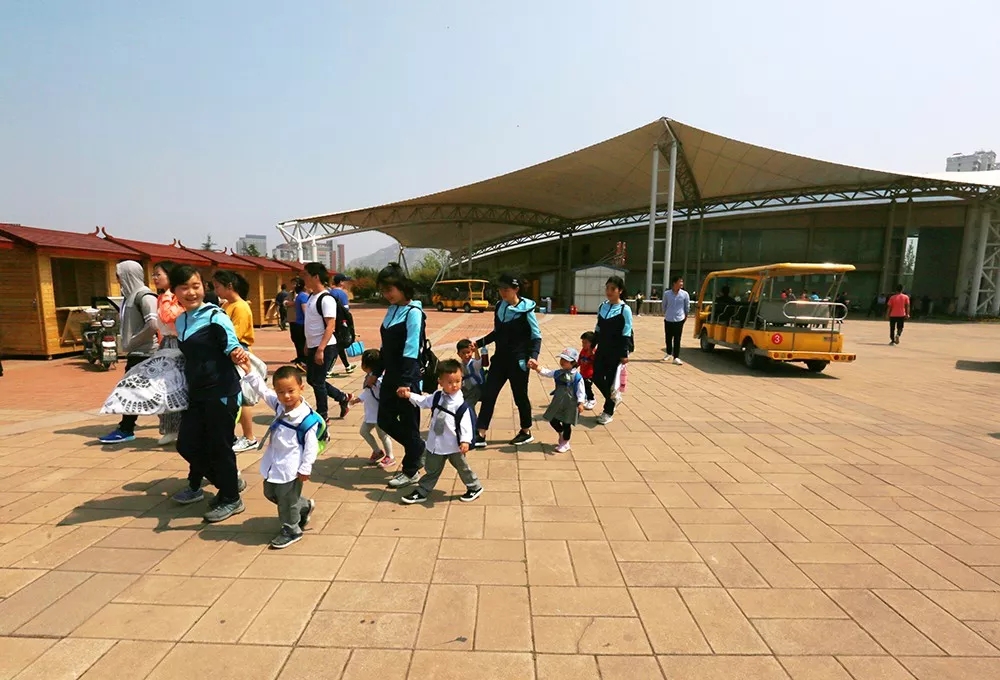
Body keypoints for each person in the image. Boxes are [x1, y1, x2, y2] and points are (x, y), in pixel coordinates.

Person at [168, 265, 248, 523]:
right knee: (187, 444)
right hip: (196, 393)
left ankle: (231, 498)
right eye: (184, 288)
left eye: (196, 286)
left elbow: (231, 344)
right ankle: (228, 484)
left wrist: (236, 353)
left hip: (221, 391)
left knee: (219, 447)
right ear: (175, 291)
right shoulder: (181, 320)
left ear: (204, 287)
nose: (191, 292)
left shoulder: (216, 316)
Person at [239, 363, 318, 549]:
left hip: (291, 467)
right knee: (270, 492)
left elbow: (311, 446)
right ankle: (303, 505)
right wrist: (249, 371)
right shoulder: (279, 405)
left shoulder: (306, 418)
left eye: (291, 391)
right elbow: (262, 390)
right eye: (281, 392)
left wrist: (306, 467)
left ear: (301, 388)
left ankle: (292, 530)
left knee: (286, 502)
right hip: (274, 462)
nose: (286, 396)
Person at [397, 359, 482, 504]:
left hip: (454, 445)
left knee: (462, 468)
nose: (454, 385)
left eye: (458, 381)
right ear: (440, 382)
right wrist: (409, 395)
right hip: (436, 443)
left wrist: (465, 441)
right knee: (432, 469)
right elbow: (424, 401)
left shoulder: (460, 404)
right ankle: (422, 491)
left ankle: (475, 487)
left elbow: (465, 424)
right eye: (450, 382)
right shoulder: (437, 396)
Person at [377, 263, 430, 489]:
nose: (386, 294)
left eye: (389, 289)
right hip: (391, 375)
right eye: (383, 290)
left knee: (409, 424)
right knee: (384, 420)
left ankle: (410, 471)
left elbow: (411, 348)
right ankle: (419, 448)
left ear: (401, 287)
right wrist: (375, 373)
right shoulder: (392, 310)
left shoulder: (413, 312)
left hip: (407, 377)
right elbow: (385, 347)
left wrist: (406, 381)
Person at [474, 273, 542, 447]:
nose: (503, 292)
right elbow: (497, 333)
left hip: (519, 362)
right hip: (499, 360)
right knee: (488, 394)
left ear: (516, 289)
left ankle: (526, 431)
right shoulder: (499, 306)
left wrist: (533, 357)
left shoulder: (526, 309)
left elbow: (536, 336)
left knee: (520, 397)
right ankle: (480, 433)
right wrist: (478, 343)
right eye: (500, 289)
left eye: (506, 289)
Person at [99, 261, 160, 444]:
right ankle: (128, 427)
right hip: (137, 353)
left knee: (130, 390)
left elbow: (153, 325)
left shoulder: (144, 296)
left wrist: (133, 341)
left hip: (146, 353)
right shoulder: (129, 297)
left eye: (119, 275)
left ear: (128, 275)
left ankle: (126, 429)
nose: (117, 279)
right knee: (142, 392)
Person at [214, 270, 259, 453]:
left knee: (243, 397)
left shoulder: (240, 307)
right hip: (229, 352)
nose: (216, 290)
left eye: (218, 286)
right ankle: (234, 435)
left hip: (238, 352)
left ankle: (249, 437)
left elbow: (234, 335)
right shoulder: (227, 305)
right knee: (234, 396)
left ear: (229, 286)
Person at [302, 262, 352, 423]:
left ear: (315, 277)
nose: (304, 278)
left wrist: (320, 349)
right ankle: (342, 397)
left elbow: (330, 325)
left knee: (318, 381)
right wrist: (307, 344)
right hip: (313, 345)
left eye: (306, 275)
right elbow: (311, 324)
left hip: (326, 346)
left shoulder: (326, 299)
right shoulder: (311, 297)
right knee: (312, 379)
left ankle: (323, 415)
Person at [594, 276, 633, 425]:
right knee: (596, 376)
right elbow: (598, 327)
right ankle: (614, 398)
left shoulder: (625, 309)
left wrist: (624, 353)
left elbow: (626, 332)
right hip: (602, 349)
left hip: (615, 352)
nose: (609, 291)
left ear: (620, 291)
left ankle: (608, 412)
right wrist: (591, 345)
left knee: (610, 381)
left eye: (612, 289)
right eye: (607, 288)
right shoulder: (602, 306)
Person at [153, 261, 184, 446]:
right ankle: (170, 428)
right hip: (166, 343)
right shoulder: (162, 297)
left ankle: (180, 428)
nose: (155, 278)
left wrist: (167, 295)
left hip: (177, 344)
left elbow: (167, 317)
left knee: (177, 387)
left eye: (159, 274)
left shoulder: (174, 297)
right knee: (164, 388)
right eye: (154, 275)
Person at [534, 347, 586, 453]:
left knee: (567, 423)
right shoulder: (558, 373)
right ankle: (561, 433)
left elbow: (581, 391)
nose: (562, 362)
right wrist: (537, 368)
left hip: (570, 404)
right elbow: (547, 372)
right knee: (552, 419)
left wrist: (581, 403)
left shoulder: (577, 377)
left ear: (573, 363)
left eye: (566, 360)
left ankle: (565, 443)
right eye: (562, 359)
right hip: (558, 402)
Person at [351, 349, 395, 469]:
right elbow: (367, 392)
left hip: (380, 414)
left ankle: (390, 456)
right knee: (364, 431)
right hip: (370, 413)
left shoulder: (378, 380)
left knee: (383, 435)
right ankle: (377, 451)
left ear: (366, 365)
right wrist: (358, 399)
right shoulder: (370, 377)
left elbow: (382, 394)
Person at [330, 273, 356, 374]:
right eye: (345, 281)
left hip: (333, 321)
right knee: (338, 346)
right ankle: (329, 369)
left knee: (339, 345)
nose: (346, 283)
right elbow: (346, 310)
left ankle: (347, 366)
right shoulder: (342, 294)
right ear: (341, 282)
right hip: (341, 323)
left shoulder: (331, 292)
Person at [661, 275, 689, 365]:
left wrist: (685, 316)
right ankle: (668, 353)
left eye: (682, 281)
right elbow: (664, 305)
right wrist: (666, 313)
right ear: (674, 283)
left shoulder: (685, 294)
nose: (681, 283)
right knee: (668, 337)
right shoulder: (667, 294)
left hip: (679, 319)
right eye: (680, 281)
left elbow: (687, 306)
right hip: (668, 318)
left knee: (677, 339)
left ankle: (676, 357)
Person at [457, 339, 486, 410]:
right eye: (463, 353)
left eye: (468, 352)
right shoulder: (459, 366)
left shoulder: (473, 363)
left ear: (472, 352)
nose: (466, 355)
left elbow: (478, 362)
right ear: (458, 354)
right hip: (464, 389)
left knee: (469, 407)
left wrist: (476, 350)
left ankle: (472, 417)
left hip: (475, 389)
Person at [286, 278, 308, 367]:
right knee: (299, 342)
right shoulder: (302, 296)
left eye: (295, 284)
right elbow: (305, 311)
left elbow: (305, 311)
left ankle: (303, 361)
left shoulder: (301, 296)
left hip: (300, 324)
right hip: (299, 323)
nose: (293, 286)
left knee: (301, 343)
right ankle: (302, 361)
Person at [578, 332, 596, 411]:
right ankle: (584, 398)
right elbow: (579, 360)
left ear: (592, 343)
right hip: (582, 373)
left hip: (590, 375)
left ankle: (591, 399)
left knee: (587, 387)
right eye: (582, 342)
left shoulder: (593, 352)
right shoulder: (583, 350)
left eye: (585, 343)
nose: (583, 345)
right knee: (582, 386)